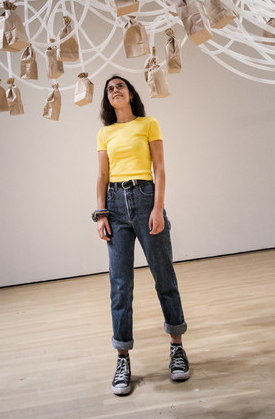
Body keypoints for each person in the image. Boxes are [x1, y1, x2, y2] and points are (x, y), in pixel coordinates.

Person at [93, 75, 189, 396]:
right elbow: (103, 176)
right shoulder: (105, 133)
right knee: (120, 285)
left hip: (146, 198)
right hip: (115, 207)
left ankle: (176, 346)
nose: (115, 90)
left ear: (131, 93)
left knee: (164, 276)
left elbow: (159, 168)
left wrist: (158, 208)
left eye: (120, 86)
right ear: (108, 99)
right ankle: (122, 357)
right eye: (110, 89)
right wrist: (101, 212)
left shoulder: (148, 124)